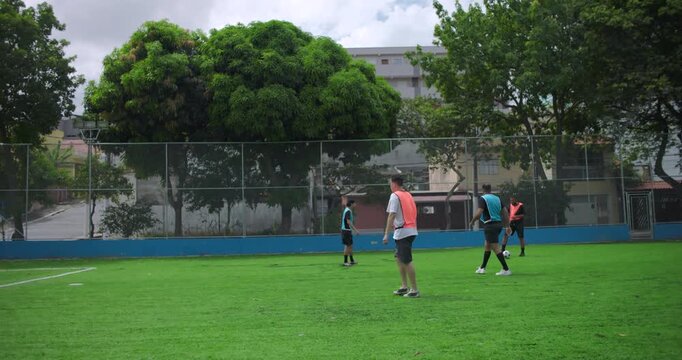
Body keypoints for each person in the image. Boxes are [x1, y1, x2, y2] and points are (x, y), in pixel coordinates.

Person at [383, 175, 420, 298]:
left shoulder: (395, 196)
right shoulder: (408, 194)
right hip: (410, 230)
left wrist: (386, 234)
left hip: (403, 232)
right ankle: (404, 286)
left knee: (406, 260)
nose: (390, 186)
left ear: (394, 184)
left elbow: (391, 215)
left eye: (390, 183)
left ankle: (414, 290)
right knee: (399, 258)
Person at [468, 184, 512, 276]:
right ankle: (482, 268)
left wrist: (472, 221)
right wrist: (507, 226)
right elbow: (505, 212)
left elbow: (479, 213)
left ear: (483, 190)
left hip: (490, 225)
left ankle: (506, 269)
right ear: (490, 189)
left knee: (495, 247)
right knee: (487, 245)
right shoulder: (497, 198)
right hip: (498, 224)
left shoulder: (483, 198)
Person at [341, 200, 359, 266]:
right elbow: (348, 222)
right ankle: (345, 261)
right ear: (351, 204)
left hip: (347, 230)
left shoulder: (347, 210)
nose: (355, 204)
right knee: (347, 246)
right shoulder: (348, 211)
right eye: (355, 203)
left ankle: (351, 260)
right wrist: (355, 230)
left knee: (350, 246)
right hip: (346, 231)